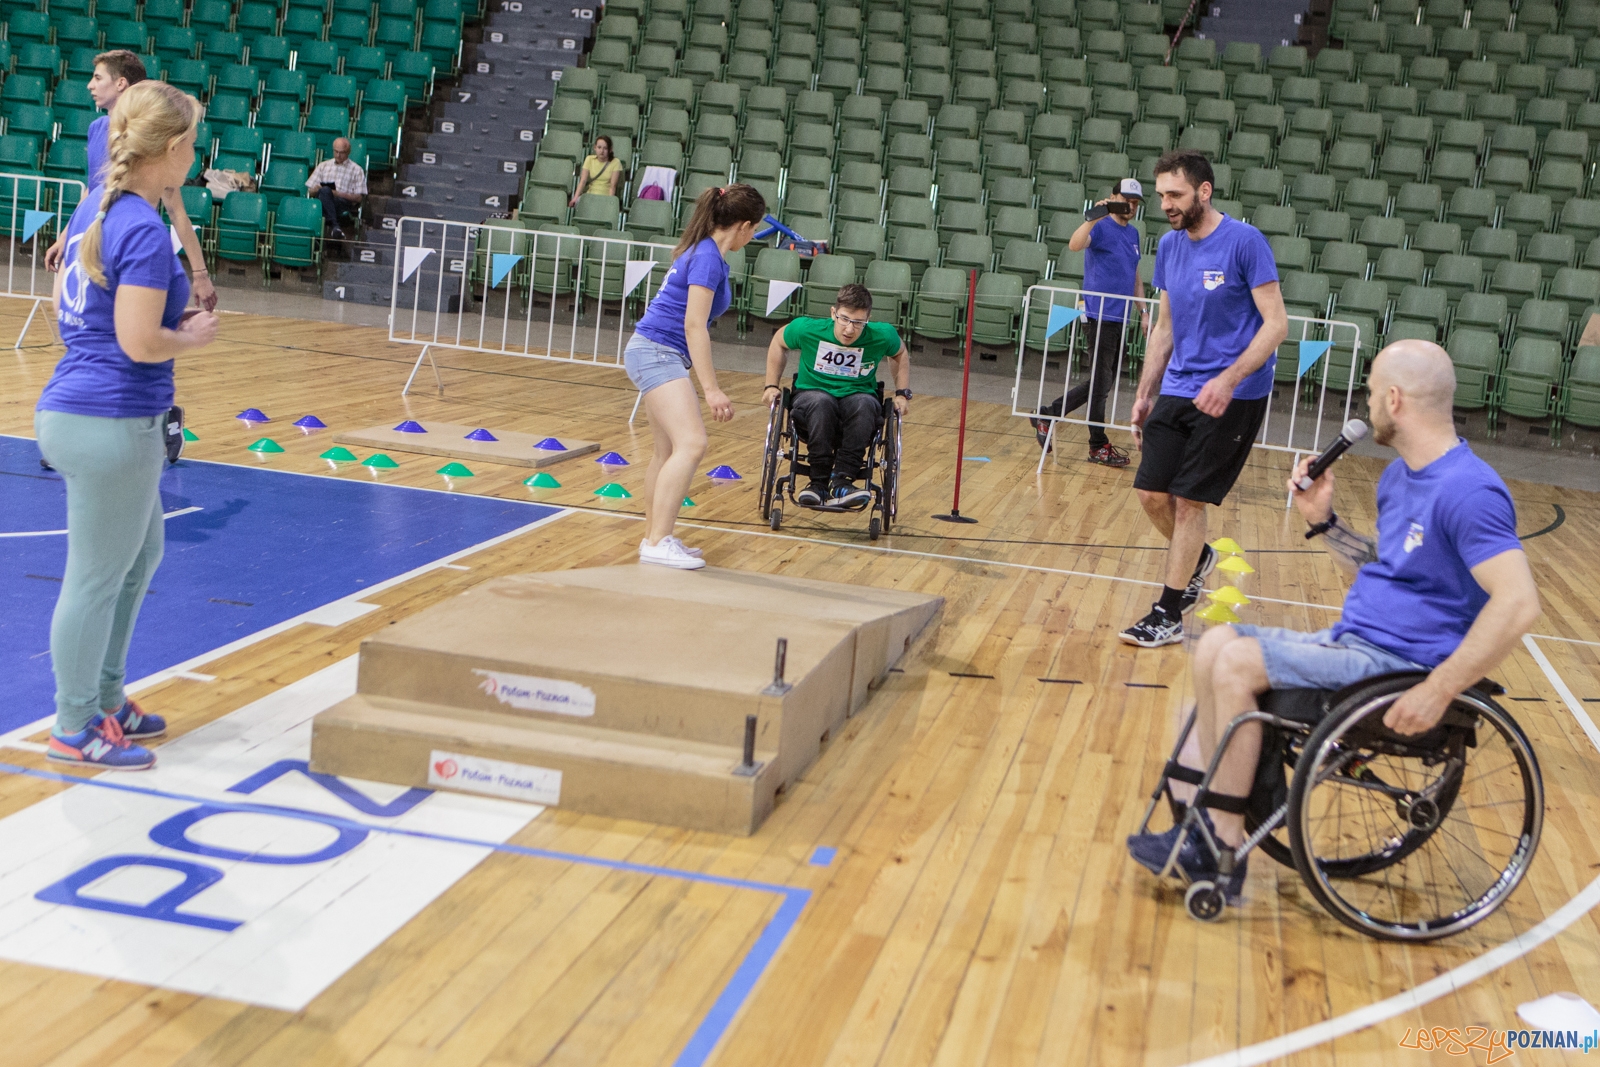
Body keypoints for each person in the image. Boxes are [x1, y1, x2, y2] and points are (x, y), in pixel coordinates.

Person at [1125, 339, 1542, 905]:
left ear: (1394, 399)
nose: (1367, 408)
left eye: (1371, 394)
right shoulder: (1400, 480)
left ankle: (1221, 844)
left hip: (1401, 665)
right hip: (1356, 643)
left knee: (1237, 660)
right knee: (1215, 641)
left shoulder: (1470, 490)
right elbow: (1377, 573)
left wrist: (1439, 689)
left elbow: (1519, 603)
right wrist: (1324, 521)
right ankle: (1216, 808)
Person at [36, 80, 219, 770]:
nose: (195, 158)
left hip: (84, 409)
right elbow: (142, 341)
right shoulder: (142, 227)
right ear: (170, 149)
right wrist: (192, 335)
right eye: (193, 145)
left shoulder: (97, 208)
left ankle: (107, 698)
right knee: (94, 577)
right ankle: (74, 721)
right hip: (111, 421)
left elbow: (69, 305)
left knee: (140, 558)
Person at [1119, 149, 1289, 649]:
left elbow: (1276, 325)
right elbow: (1165, 327)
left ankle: (1166, 614)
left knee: (1189, 501)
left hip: (1234, 394)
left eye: (1175, 194)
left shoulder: (1245, 242)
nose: (1166, 204)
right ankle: (1199, 557)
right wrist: (1145, 392)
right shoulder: (1170, 248)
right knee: (1152, 494)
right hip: (1179, 385)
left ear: (1204, 191)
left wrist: (1230, 379)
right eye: (1161, 196)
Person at [624, 183, 766, 570]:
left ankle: (654, 536)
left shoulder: (706, 252)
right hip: (658, 353)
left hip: (650, 350)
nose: (752, 238)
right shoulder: (706, 258)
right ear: (743, 226)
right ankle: (657, 541)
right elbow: (694, 327)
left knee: (666, 451)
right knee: (692, 443)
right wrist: (712, 389)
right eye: (754, 230)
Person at [43, 50, 216, 313]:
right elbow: (94, 190)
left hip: (124, 248)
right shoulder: (97, 129)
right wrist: (67, 237)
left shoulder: (150, 144)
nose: (90, 85)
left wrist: (200, 274)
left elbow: (176, 211)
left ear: (121, 83)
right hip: (94, 241)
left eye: (98, 77)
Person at [1031, 177, 1150, 467]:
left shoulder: (1133, 234)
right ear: (1113, 197)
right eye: (1126, 200)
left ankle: (1049, 414)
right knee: (1102, 380)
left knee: (1102, 379)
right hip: (1098, 314)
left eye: (1135, 202)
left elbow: (1134, 276)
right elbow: (1074, 245)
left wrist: (1143, 311)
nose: (1131, 206)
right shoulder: (1101, 226)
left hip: (1119, 316)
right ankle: (1096, 443)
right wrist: (1093, 217)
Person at [763, 284, 912, 507]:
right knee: (822, 402)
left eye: (858, 322)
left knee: (864, 404)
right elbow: (778, 341)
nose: (850, 329)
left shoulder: (882, 335)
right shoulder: (807, 329)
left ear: (868, 319)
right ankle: (818, 482)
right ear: (833, 313)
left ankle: (843, 480)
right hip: (811, 398)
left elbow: (899, 352)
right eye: (844, 319)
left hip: (858, 399)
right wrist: (770, 385)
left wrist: (901, 393)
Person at [304, 137, 367, 240]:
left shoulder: (357, 170)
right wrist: (315, 189)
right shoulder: (323, 166)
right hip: (322, 199)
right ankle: (335, 227)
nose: (338, 155)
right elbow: (310, 191)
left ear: (348, 152)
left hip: (342, 202)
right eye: (336, 151)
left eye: (341, 152)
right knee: (324, 192)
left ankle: (326, 232)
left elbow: (359, 198)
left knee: (325, 196)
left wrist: (338, 194)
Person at [569, 135, 622, 208]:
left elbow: (612, 187)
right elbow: (583, 181)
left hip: (604, 197)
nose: (601, 151)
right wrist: (575, 198)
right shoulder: (589, 159)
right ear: (595, 148)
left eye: (605, 148)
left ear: (610, 150)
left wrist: (609, 204)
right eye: (599, 147)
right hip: (590, 195)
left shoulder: (616, 162)